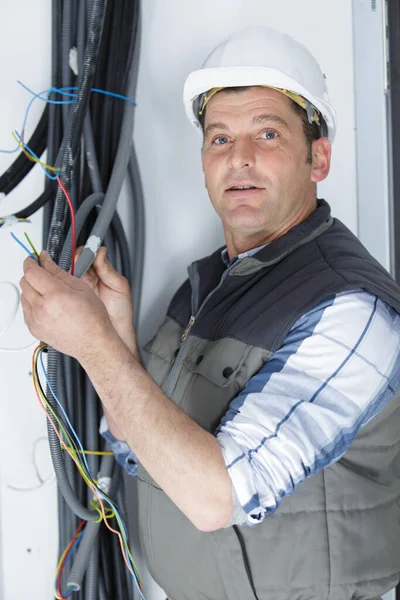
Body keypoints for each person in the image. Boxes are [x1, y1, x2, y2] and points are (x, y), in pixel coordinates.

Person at [20, 26, 400, 600]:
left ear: (318, 156)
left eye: (267, 134)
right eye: (220, 138)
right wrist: (116, 340)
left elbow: (216, 496)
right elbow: (145, 449)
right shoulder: (200, 288)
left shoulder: (351, 308)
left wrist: (94, 344)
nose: (239, 158)